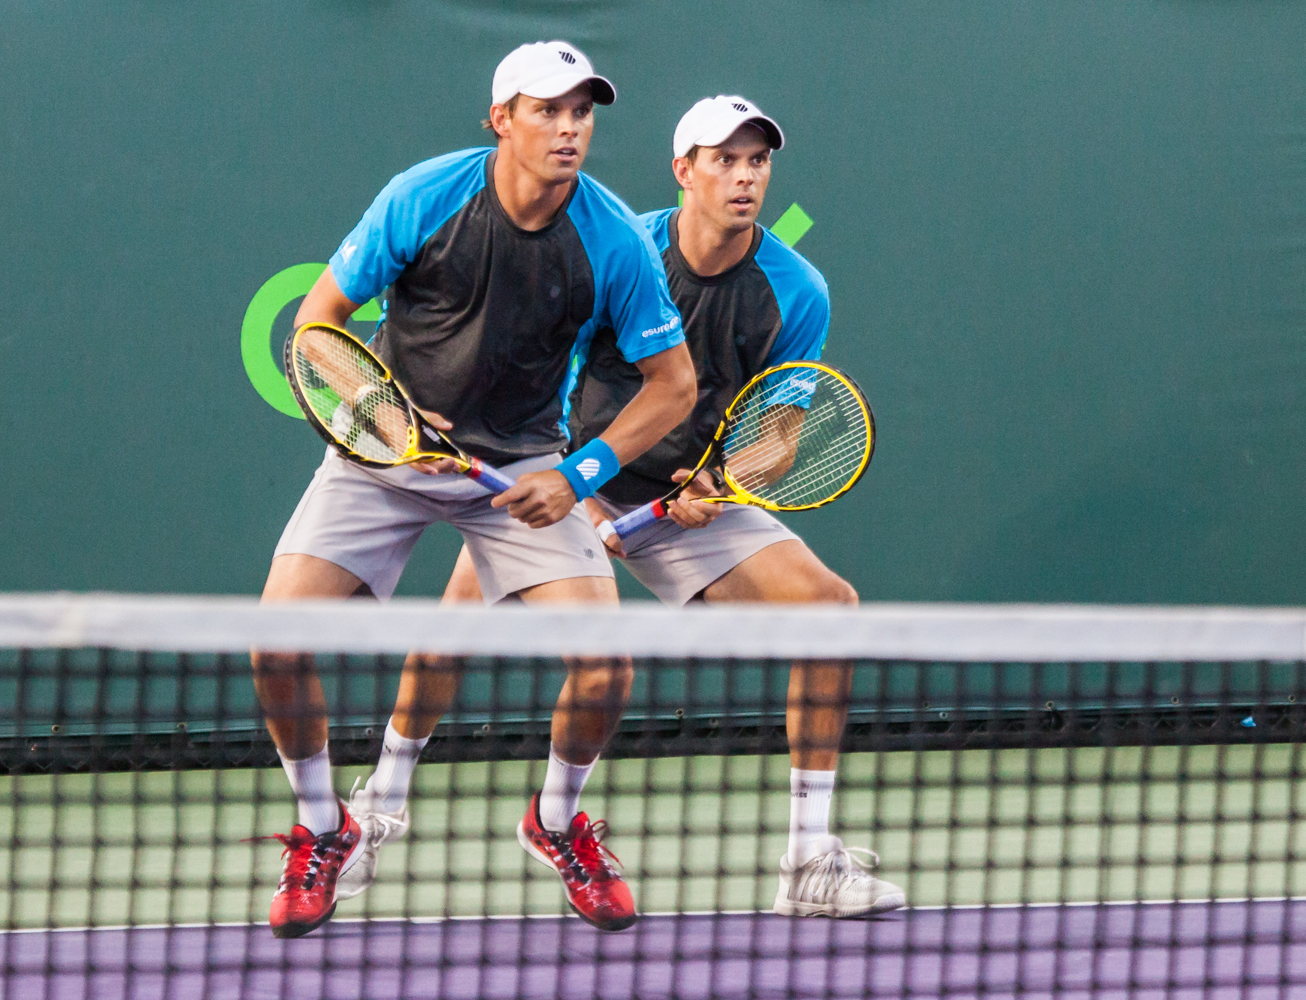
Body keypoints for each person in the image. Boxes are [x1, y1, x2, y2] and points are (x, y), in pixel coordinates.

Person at [343, 96, 905, 922]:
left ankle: (807, 858)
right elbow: (545, 366)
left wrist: (722, 483)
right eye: (724, 160)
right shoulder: (620, 244)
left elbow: (779, 436)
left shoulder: (797, 291)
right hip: (571, 470)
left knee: (832, 611)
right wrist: (571, 480)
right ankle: (380, 804)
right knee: (447, 641)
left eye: (757, 162)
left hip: (690, 495)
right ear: (685, 172)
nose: (744, 177)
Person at [253, 40, 697, 939]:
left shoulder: (609, 237)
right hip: (389, 451)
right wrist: (376, 414)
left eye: (581, 111)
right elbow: (317, 324)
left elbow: (674, 385)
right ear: (502, 120)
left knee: (606, 665)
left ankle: (558, 820)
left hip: (525, 460)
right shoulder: (425, 196)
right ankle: (321, 827)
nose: (569, 128)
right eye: (547, 110)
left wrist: (576, 476)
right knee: (275, 643)